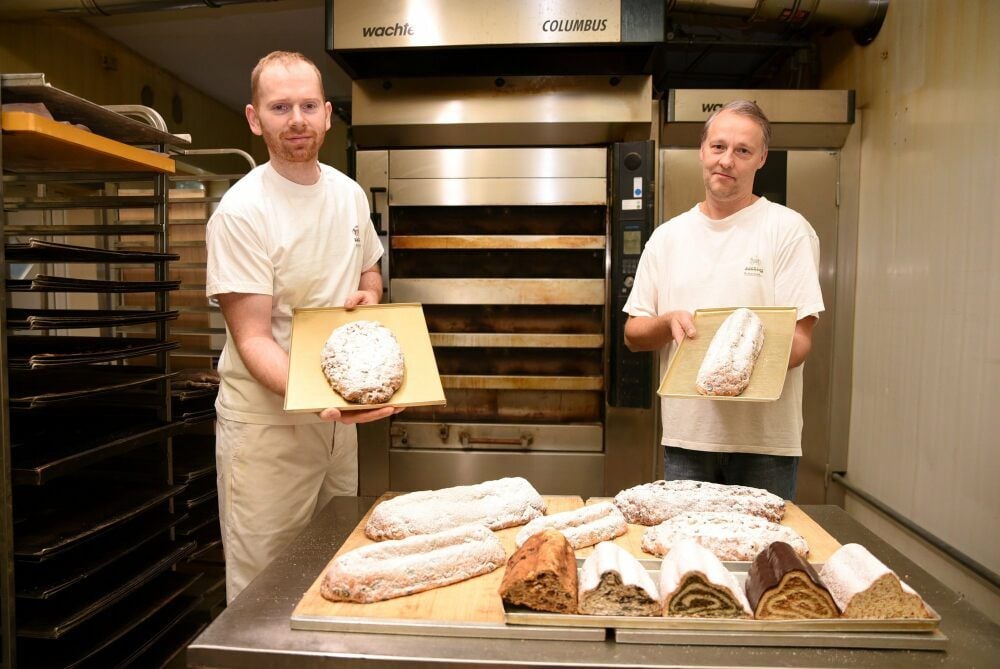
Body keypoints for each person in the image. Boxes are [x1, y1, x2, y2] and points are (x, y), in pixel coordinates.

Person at [205, 51, 398, 602]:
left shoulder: (348, 193)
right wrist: (321, 393)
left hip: (335, 423)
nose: (297, 119)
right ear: (253, 117)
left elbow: (368, 269)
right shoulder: (243, 211)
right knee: (265, 583)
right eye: (280, 107)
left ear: (328, 113)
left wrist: (371, 293)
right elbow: (252, 339)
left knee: (336, 561)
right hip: (269, 429)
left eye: (308, 105)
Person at [622, 99, 824, 500]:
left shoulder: (788, 230)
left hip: (765, 444)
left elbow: (800, 342)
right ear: (702, 150)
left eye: (742, 150)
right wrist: (667, 324)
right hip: (688, 440)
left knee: (762, 558)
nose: (726, 160)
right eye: (718, 147)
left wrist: (733, 361)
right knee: (689, 557)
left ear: (760, 158)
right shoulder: (668, 237)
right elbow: (633, 332)